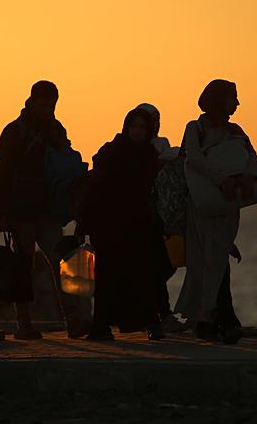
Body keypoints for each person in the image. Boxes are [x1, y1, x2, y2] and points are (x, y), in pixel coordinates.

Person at [0, 81, 91, 340]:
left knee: (64, 264)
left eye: (52, 105)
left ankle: (74, 321)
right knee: (23, 268)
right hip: (22, 212)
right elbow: (2, 173)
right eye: (44, 104)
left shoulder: (55, 129)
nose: (48, 109)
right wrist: (3, 213)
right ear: (32, 101)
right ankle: (23, 323)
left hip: (48, 211)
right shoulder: (15, 131)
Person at [174, 80, 257, 344]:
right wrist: (222, 179)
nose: (236, 103)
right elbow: (194, 158)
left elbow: (252, 156)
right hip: (203, 206)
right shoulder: (195, 128)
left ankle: (211, 318)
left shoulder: (236, 130)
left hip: (227, 206)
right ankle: (207, 318)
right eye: (232, 97)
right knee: (203, 263)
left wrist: (248, 177)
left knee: (218, 260)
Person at [81, 108, 164, 341]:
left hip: (138, 224)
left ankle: (152, 323)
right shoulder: (111, 151)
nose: (137, 132)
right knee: (107, 276)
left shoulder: (149, 156)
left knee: (143, 275)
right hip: (108, 223)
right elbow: (96, 186)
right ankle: (101, 326)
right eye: (133, 126)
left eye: (142, 128)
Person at [135, 103, 186, 333]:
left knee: (163, 266)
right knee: (153, 266)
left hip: (162, 212)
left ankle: (158, 315)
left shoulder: (162, 144)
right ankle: (160, 316)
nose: (155, 124)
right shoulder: (131, 147)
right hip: (140, 215)